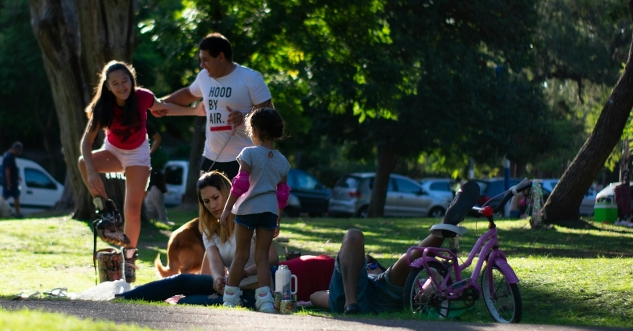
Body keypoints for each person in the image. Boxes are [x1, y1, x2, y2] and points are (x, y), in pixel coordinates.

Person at [79, 60, 197, 283]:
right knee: (83, 163)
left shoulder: (142, 96)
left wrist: (196, 111)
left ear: (131, 79)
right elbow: (86, 143)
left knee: (132, 210)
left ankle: (130, 259)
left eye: (125, 81)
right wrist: (93, 173)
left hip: (138, 155)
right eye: (116, 83)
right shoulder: (103, 107)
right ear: (108, 87)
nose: (122, 86)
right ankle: (107, 213)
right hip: (113, 151)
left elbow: (164, 107)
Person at [310, 181, 480, 315]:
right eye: (367, 263)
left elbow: (315, 297)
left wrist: (432, 280)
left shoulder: (375, 275)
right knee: (353, 234)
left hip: (380, 292)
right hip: (361, 295)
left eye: (370, 264)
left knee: (407, 263)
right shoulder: (357, 274)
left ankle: (445, 227)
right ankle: (351, 303)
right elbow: (315, 297)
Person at [119, 171, 280, 306]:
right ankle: (123, 298)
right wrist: (217, 279)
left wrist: (244, 273)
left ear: (226, 192)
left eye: (216, 197)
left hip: (256, 289)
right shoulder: (210, 229)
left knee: (187, 302)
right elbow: (215, 262)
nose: (212, 205)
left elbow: (272, 257)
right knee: (181, 282)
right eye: (207, 201)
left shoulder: (248, 217)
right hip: (230, 287)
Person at [153, 33, 273, 180]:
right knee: (207, 203)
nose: (202, 65)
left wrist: (245, 118)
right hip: (211, 159)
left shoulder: (250, 78)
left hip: (244, 160)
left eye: (206, 60)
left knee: (240, 204)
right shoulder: (204, 77)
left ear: (221, 57)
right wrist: (159, 103)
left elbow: (269, 115)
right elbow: (188, 94)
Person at [219, 108, 290, 313]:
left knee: (241, 255)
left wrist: (227, 209)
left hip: (248, 209)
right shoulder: (282, 161)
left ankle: (230, 299)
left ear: (255, 130)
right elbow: (282, 195)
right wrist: (278, 220)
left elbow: (240, 184)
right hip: (269, 212)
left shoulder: (248, 153)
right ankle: (265, 301)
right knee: (261, 257)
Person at [1, 141, 23, 218]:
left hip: (11, 180)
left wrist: (17, 176)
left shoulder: (7, 154)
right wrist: (9, 182)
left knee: (6, 197)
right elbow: (7, 170)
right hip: (11, 181)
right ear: (15, 149)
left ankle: (17, 213)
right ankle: (18, 213)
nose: (18, 153)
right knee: (12, 197)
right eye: (18, 152)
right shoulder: (9, 157)